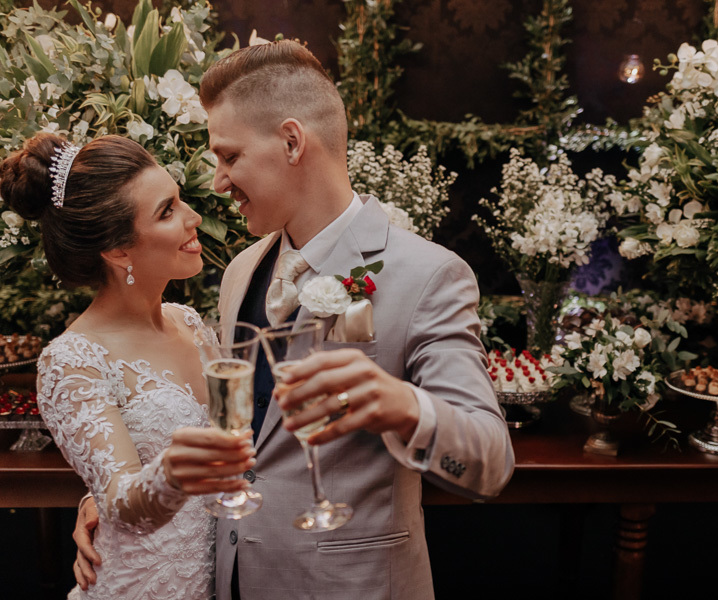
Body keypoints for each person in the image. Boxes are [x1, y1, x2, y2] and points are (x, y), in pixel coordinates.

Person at [75, 39, 515, 600]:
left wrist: (403, 406)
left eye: (229, 157)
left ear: (291, 141)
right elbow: (227, 428)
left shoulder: (430, 275)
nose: (217, 182)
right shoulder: (239, 273)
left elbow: (491, 463)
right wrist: (111, 501)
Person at [0, 133, 256, 599]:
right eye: (167, 211)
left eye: (179, 200)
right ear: (118, 251)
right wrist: (170, 474)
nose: (193, 218)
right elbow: (120, 501)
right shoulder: (72, 360)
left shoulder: (192, 325)